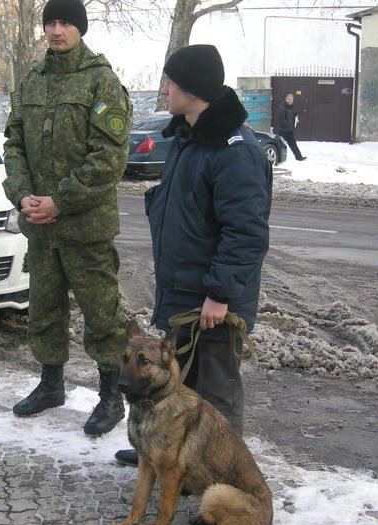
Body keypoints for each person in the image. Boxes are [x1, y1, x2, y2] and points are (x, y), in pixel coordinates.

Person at [115, 44, 272, 466]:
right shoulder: (189, 137)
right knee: (179, 388)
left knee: (216, 393)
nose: (164, 89)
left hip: (213, 301)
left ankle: (221, 473)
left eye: (170, 82)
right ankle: (171, 460)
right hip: (183, 292)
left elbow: (246, 233)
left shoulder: (234, 150)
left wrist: (220, 294)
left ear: (192, 88)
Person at [2, 0, 132, 436]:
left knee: (102, 314)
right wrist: (22, 194)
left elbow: (109, 157)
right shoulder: (31, 80)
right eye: (51, 23)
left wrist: (60, 200)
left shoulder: (101, 80)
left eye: (65, 23)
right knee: (44, 308)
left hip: (85, 226)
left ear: (80, 29)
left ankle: (111, 396)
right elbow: (14, 143)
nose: (56, 30)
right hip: (41, 227)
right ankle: (51, 384)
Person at [276, 93, 306, 161]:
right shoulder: (282, 108)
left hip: (290, 131)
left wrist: (295, 116)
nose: (290, 101)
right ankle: (277, 158)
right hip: (283, 131)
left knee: (293, 144)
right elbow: (282, 119)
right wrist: (288, 125)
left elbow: (290, 117)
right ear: (286, 99)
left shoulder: (290, 108)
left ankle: (299, 157)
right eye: (289, 99)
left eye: (291, 99)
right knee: (280, 145)